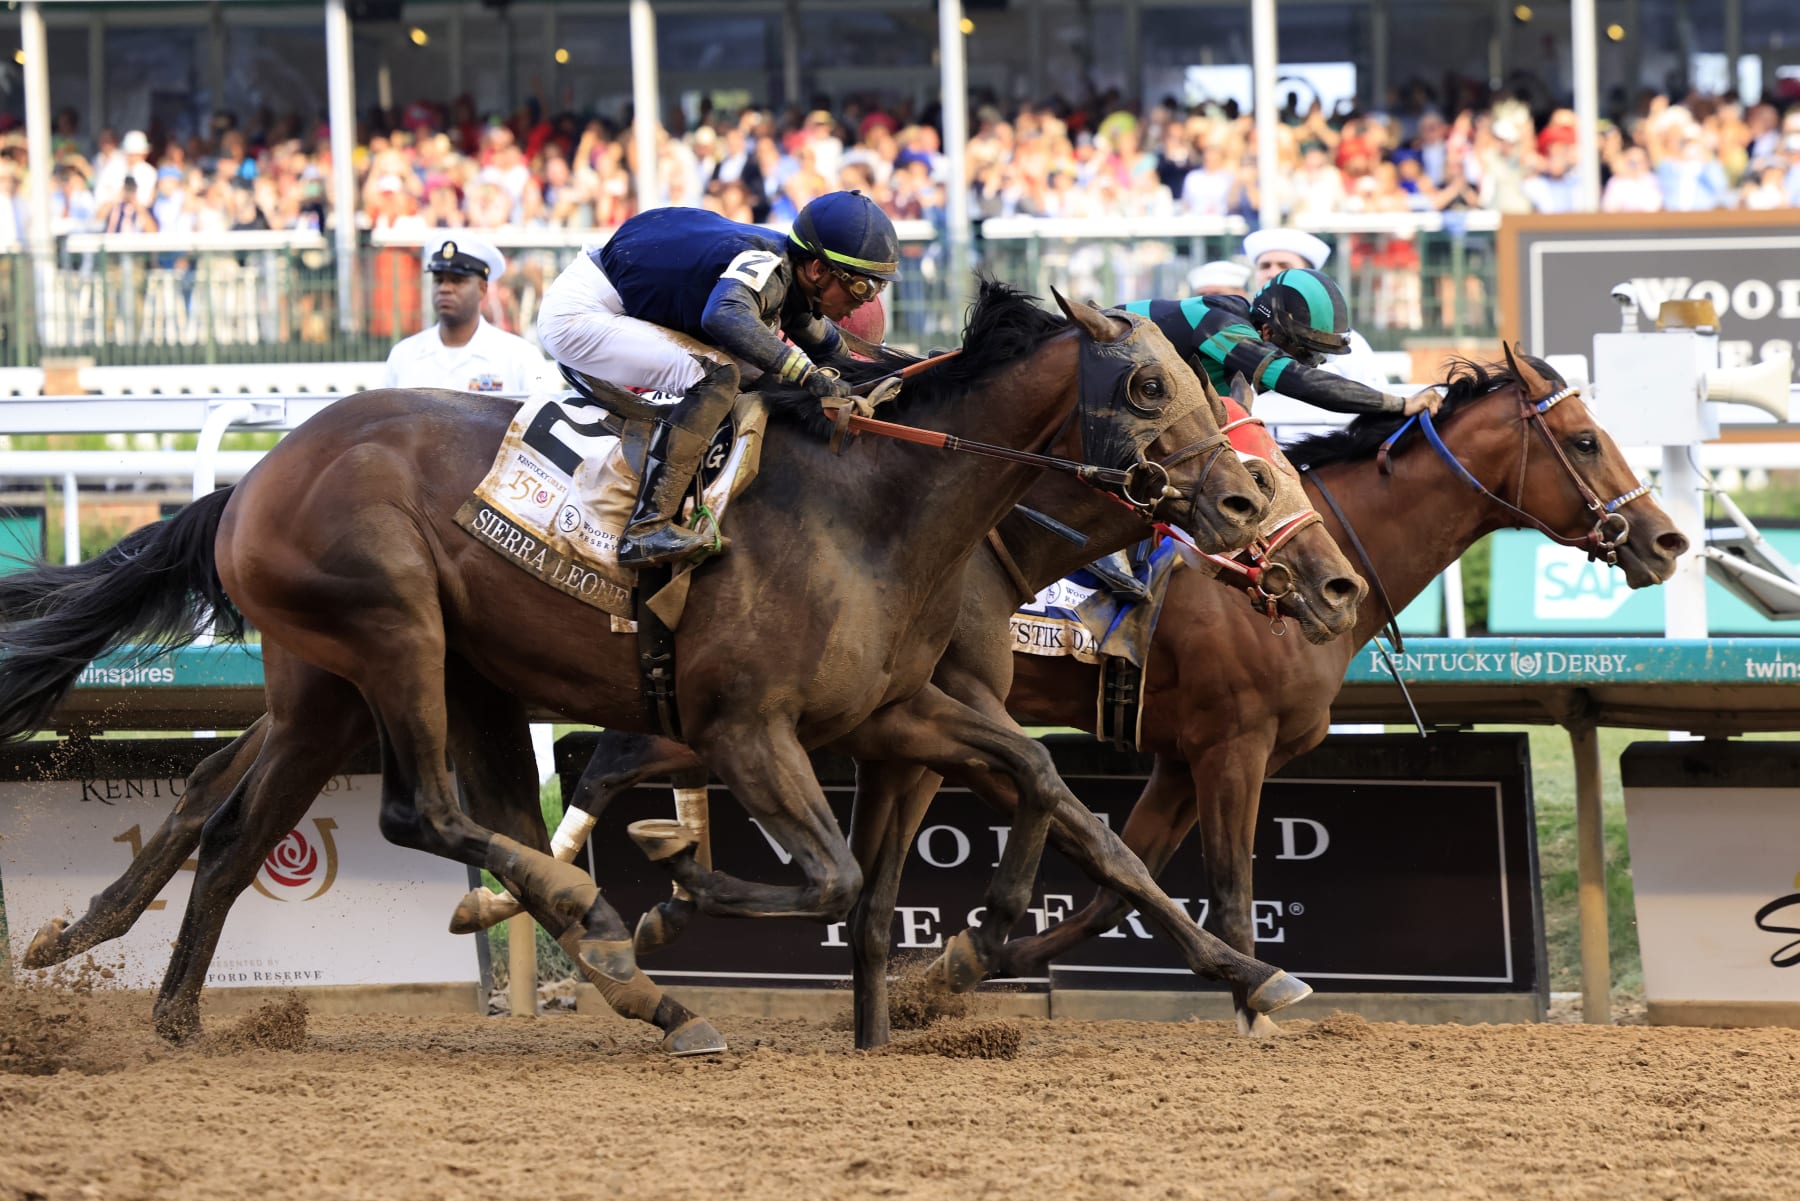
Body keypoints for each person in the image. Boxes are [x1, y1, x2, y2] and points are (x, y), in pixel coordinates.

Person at [534, 189, 896, 567]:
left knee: (771, 379)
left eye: (877, 287)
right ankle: (646, 528)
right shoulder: (771, 269)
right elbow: (723, 315)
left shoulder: (791, 274)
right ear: (818, 270)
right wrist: (806, 373)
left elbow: (829, 348)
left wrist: (892, 377)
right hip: (582, 313)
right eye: (861, 287)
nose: (865, 302)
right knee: (719, 376)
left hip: (620, 292)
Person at [1120, 267, 1440, 420]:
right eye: (1306, 352)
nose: (1310, 363)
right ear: (1268, 332)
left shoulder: (1233, 342)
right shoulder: (1221, 325)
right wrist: (1399, 404)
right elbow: (1299, 381)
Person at [382, 234, 549, 396]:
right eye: (439, 280)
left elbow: (541, 412)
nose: (445, 288)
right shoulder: (404, 355)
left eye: (457, 280)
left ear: (482, 288)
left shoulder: (519, 357)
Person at [1242, 228, 1391, 389]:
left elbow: (1375, 392)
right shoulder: (1239, 331)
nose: (1272, 273)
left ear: (1311, 276)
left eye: (1284, 266)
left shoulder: (1351, 343)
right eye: (1265, 266)